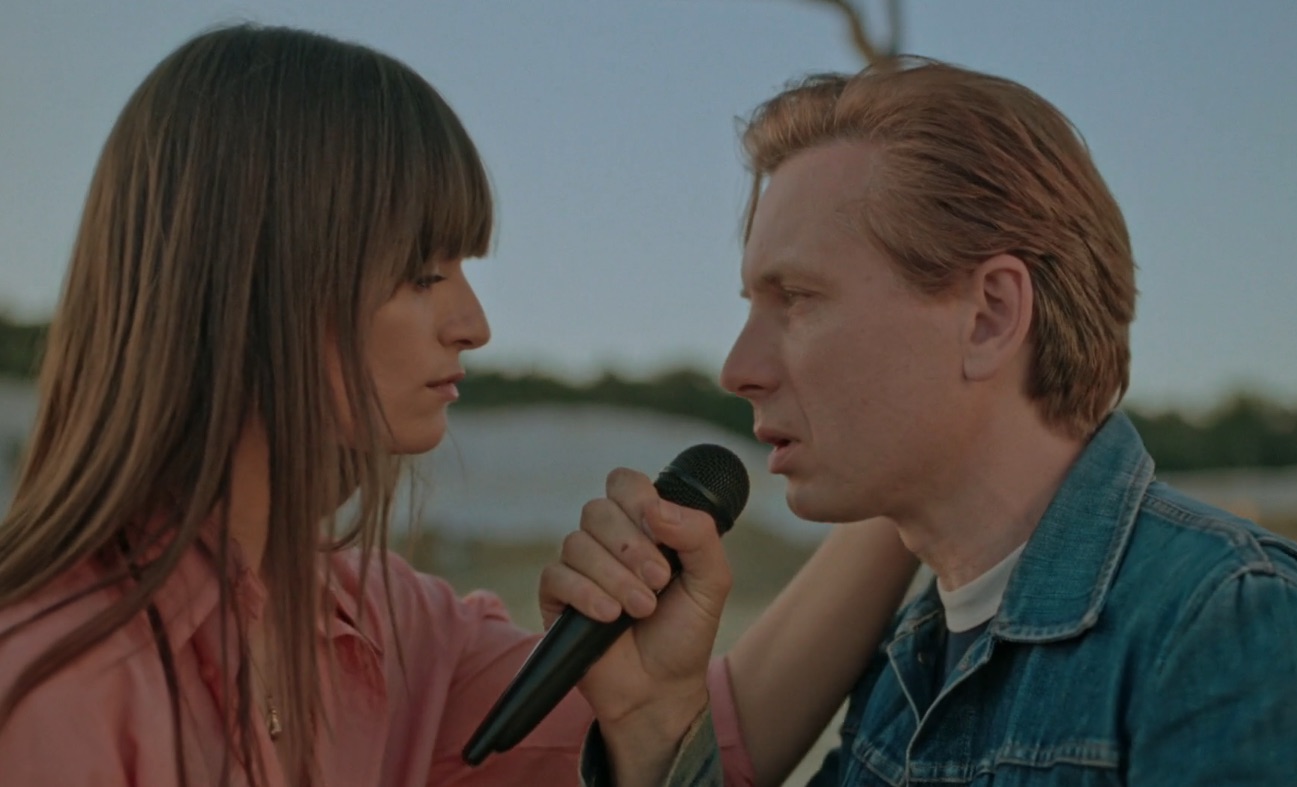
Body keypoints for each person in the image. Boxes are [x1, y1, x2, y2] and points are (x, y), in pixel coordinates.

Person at [0, 25, 921, 786]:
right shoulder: (57, 684)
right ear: (253, 283)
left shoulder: (388, 625)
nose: (473, 324)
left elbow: (705, 744)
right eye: (423, 272)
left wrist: (911, 477)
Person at [553, 57, 1297, 784]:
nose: (740, 368)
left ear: (990, 314)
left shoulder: (1229, 628)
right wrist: (659, 721)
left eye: (798, 299)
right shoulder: (910, 654)